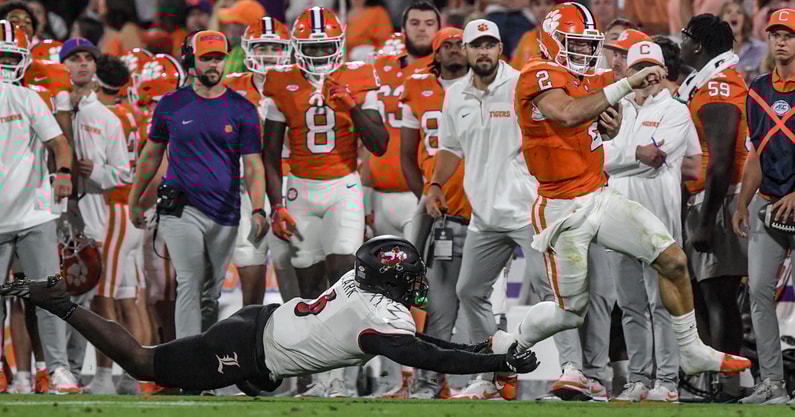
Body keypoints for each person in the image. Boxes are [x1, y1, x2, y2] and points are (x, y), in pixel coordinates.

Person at [494, 2, 751, 379]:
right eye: (575, 44)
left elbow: (599, 126)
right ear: (552, 40)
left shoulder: (586, 79)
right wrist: (628, 84)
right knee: (570, 311)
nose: (583, 52)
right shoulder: (537, 72)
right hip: (561, 208)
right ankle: (512, 344)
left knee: (673, 260)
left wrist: (609, 128)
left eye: (586, 45)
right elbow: (567, 113)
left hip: (599, 195)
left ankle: (692, 351)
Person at [0, 236, 541, 396]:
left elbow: (432, 347)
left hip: (266, 330)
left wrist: (490, 354)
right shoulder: (374, 317)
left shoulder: (365, 287)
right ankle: (58, 302)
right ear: (388, 282)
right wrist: (492, 358)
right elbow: (431, 355)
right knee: (146, 365)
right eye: (409, 277)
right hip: (249, 346)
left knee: (227, 383)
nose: (417, 283)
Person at [262, 6, 389, 396]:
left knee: (342, 283)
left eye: (325, 49)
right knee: (308, 295)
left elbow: (380, 144)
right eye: (311, 50)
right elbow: (269, 154)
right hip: (300, 191)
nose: (319, 58)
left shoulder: (359, 79)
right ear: (297, 49)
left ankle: (340, 380)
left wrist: (351, 104)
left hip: (343, 189)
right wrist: (275, 204)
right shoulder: (280, 84)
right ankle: (320, 379)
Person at [423, 18, 546, 400]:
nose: (483, 51)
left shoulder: (521, 85)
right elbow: (450, 148)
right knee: (469, 291)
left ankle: (575, 373)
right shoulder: (455, 95)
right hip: (484, 217)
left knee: (553, 294)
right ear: (467, 51)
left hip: (527, 211)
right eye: (477, 45)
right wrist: (436, 184)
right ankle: (490, 374)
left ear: (499, 49)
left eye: (490, 44)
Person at [128, 31, 268, 343]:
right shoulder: (171, 104)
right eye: (206, 58)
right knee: (189, 281)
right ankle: (188, 363)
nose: (213, 65)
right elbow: (151, 154)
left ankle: (205, 361)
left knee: (210, 293)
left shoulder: (242, 109)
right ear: (193, 60)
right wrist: (135, 196)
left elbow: (254, 165)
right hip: (181, 206)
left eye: (218, 58)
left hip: (226, 211)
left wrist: (258, 208)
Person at [602, 40, 702, 403]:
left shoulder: (676, 111)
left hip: (657, 222)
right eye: (638, 68)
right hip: (617, 218)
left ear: (662, 73)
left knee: (663, 304)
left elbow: (656, 156)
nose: (645, 75)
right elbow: (601, 160)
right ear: (628, 73)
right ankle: (639, 379)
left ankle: (668, 382)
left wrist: (618, 153)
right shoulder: (615, 108)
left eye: (651, 67)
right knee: (629, 305)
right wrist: (631, 153)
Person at [677, 14, 750, 397]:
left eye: (685, 37)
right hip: (705, 198)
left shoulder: (720, 87)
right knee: (703, 293)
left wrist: (706, 221)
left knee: (718, 292)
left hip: (718, 199)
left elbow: (721, 160)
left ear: (699, 45)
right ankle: (717, 381)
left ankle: (729, 384)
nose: (681, 42)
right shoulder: (708, 83)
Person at [0, 19, 74, 393]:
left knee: (49, 295)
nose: (3, 65)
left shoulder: (29, 97)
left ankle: (58, 370)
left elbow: (60, 144)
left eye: (9, 57)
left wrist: (63, 171)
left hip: (34, 214)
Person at [397, 27, 472, 399]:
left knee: (483, 300)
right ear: (436, 54)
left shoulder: (493, 86)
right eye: (449, 45)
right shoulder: (415, 88)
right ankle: (426, 379)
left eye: (462, 44)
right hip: (440, 210)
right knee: (428, 297)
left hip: (485, 210)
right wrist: (428, 195)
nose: (456, 50)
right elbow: (407, 158)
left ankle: (490, 377)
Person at [732, 8, 795, 405]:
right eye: (775, 35)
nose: (781, 41)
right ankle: (772, 383)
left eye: (788, 34)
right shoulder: (757, 90)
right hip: (769, 204)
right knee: (757, 290)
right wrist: (742, 203)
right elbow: (754, 153)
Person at [83, 53, 146, 395]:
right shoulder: (133, 113)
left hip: (115, 208)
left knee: (103, 298)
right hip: (132, 211)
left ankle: (106, 373)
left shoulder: (106, 116)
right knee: (128, 298)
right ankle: (136, 375)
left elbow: (102, 168)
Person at [224, 16, 295, 307]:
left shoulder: (297, 85)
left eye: (273, 48)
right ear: (248, 49)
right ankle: (250, 336)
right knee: (248, 260)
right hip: (244, 184)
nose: (267, 54)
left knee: (290, 269)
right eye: (261, 47)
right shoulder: (230, 87)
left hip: (288, 183)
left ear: (287, 50)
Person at [510, 0, 563, 70]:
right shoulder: (526, 37)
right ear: (531, 9)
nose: (542, 9)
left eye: (548, 3)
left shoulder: (564, 37)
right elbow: (514, 69)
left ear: (556, 7)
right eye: (537, 4)